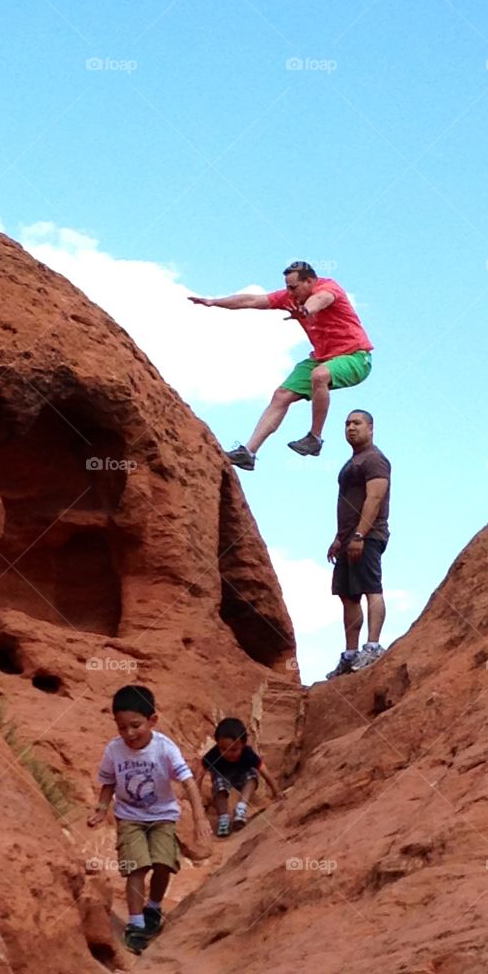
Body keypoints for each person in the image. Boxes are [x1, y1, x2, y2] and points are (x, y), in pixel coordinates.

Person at [188, 261, 373, 470]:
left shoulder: (328, 288)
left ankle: (315, 438)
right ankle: (248, 453)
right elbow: (251, 300)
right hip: (322, 357)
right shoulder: (290, 297)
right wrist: (213, 302)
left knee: (319, 376)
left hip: (355, 357)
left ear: (310, 281)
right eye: (287, 287)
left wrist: (305, 310)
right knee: (281, 395)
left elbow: (321, 299)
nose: (289, 292)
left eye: (293, 287)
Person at [88, 684, 211, 954]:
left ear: (152, 720)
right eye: (122, 728)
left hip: (163, 816)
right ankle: (136, 924)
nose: (129, 734)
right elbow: (108, 782)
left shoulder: (165, 748)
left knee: (164, 863)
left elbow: (188, 781)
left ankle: (153, 907)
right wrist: (101, 808)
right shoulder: (114, 750)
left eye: (135, 725)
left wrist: (200, 819)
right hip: (129, 817)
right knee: (136, 867)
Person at [326, 409, 391, 678]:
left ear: (371, 428)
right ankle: (350, 654)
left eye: (357, 423)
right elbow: (346, 502)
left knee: (370, 588)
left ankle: (373, 646)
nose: (351, 428)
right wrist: (340, 538)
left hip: (367, 536)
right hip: (348, 538)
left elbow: (374, 499)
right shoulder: (351, 462)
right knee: (347, 594)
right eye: (347, 424)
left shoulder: (375, 459)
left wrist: (360, 535)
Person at [198, 717, 279, 838]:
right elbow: (200, 773)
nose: (228, 754)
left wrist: (276, 791)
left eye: (234, 750)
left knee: (252, 776)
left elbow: (263, 770)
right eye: (223, 749)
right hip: (222, 776)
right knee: (219, 787)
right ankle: (223, 818)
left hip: (241, 776)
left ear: (243, 744)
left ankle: (241, 807)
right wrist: (196, 795)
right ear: (217, 744)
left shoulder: (248, 753)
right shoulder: (214, 755)